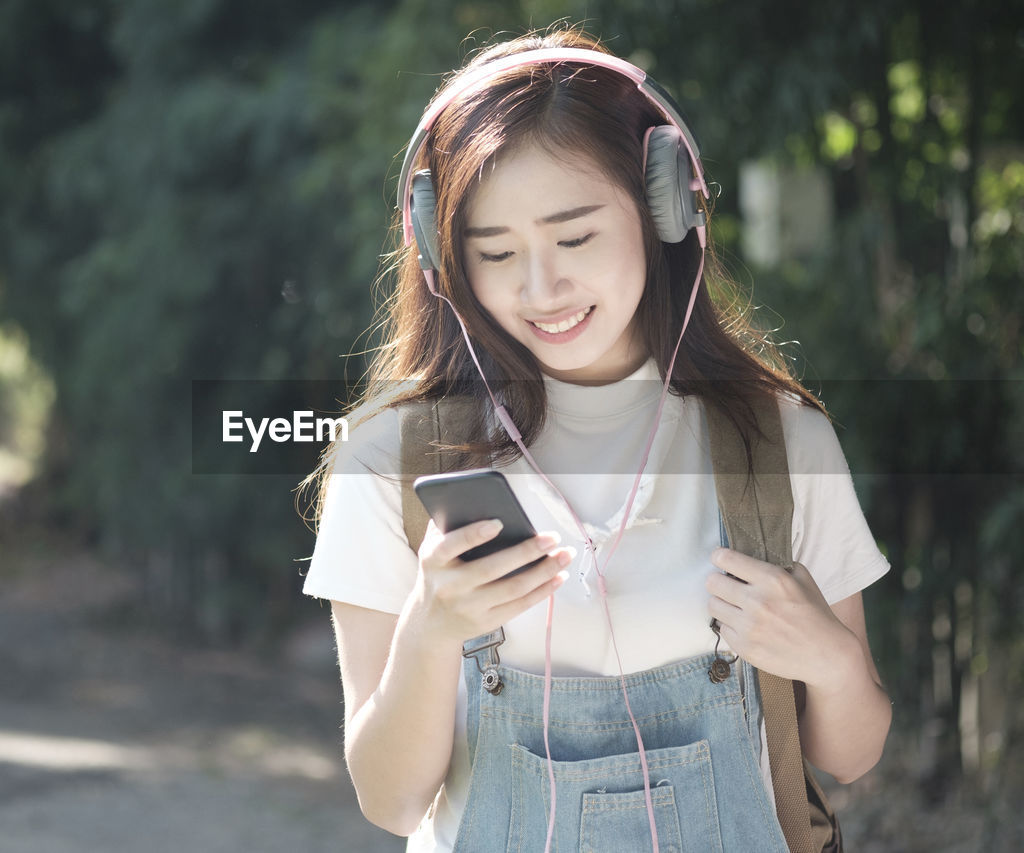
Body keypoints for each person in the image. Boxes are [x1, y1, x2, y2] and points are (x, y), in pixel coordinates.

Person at [301, 26, 892, 853]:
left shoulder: (778, 442)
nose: (541, 288)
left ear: (664, 207)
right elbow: (391, 800)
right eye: (496, 252)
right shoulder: (390, 465)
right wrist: (432, 630)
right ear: (442, 254)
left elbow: (853, 753)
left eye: (575, 238)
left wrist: (826, 659)